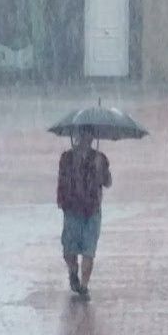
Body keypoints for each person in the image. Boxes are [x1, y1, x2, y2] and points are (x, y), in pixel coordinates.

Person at [56, 127, 111, 299]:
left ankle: (84, 286)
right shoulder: (67, 158)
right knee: (69, 250)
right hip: (72, 209)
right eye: (82, 135)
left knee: (89, 250)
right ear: (77, 136)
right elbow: (62, 181)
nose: (86, 139)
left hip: (92, 210)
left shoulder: (100, 158)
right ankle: (73, 272)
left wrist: (100, 169)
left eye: (89, 135)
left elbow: (108, 182)